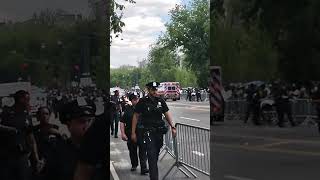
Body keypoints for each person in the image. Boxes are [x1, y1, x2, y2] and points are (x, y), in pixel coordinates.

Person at [131, 82, 177, 180]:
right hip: (148, 132)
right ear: (148, 90)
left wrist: (173, 127)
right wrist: (133, 132)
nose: (155, 91)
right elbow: (135, 116)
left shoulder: (160, 101)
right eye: (153, 89)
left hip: (158, 133)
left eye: (156, 89)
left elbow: (167, 113)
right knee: (151, 156)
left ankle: (153, 171)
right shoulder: (143, 101)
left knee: (155, 155)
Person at [44, 98, 96, 180]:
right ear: (69, 125)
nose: (87, 126)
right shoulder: (57, 152)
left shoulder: (99, 150)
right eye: (82, 121)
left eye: (90, 121)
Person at [0, 90, 42, 180]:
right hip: (6, 158)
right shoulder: (6, 113)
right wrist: (10, 130)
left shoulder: (27, 116)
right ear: (20, 100)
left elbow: (31, 138)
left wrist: (36, 158)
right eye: (27, 99)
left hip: (22, 157)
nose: (29, 102)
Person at [120, 92, 148, 174]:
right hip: (130, 133)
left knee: (143, 150)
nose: (137, 101)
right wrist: (123, 133)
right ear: (131, 100)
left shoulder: (143, 109)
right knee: (132, 151)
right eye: (135, 99)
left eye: (138, 99)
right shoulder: (127, 109)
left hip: (141, 133)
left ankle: (144, 168)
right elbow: (122, 122)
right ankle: (134, 164)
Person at [32, 107, 61, 180]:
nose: (44, 116)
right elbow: (32, 145)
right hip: (37, 161)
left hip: (51, 162)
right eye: (42, 114)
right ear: (38, 116)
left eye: (46, 114)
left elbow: (59, 145)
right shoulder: (34, 129)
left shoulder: (55, 128)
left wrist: (58, 134)